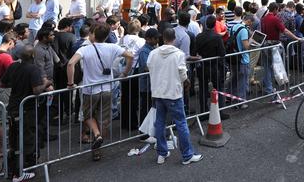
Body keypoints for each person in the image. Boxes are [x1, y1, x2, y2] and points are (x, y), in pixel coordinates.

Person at [66, 23, 133, 161]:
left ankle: (96, 135)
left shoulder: (85, 49)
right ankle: (97, 149)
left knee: (88, 115)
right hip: (107, 88)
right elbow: (130, 56)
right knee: (104, 120)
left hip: (90, 89)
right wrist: (125, 73)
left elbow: (71, 63)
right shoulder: (113, 47)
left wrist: (70, 83)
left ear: (93, 35)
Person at [147, 27, 203, 165]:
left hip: (158, 92)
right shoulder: (178, 54)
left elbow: (149, 67)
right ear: (175, 39)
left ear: (162, 38)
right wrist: (186, 81)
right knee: (181, 123)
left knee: (159, 122)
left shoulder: (153, 53)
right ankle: (187, 155)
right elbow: (182, 73)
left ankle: (162, 153)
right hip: (173, 93)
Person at [1, 45, 50, 182]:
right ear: (33, 56)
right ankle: (20, 172)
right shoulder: (33, 69)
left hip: (13, 107)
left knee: (14, 139)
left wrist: (18, 84)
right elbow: (36, 91)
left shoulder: (13, 66)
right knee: (26, 139)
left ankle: (14, 169)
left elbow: (3, 84)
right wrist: (46, 84)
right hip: (26, 109)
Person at [260, 3, 301, 94]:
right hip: (274, 46)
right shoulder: (275, 19)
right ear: (275, 9)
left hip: (265, 44)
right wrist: (296, 38)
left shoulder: (263, 19)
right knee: (277, 66)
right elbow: (285, 31)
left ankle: (266, 84)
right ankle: (270, 87)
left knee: (267, 67)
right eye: (277, 10)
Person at [195, 16, 228, 116]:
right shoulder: (217, 37)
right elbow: (222, 53)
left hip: (202, 65)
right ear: (214, 25)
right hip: (215, 66)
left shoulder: (199, 36)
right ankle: (220, 112)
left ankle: (204, 112)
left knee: (203, 89)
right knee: (219, 88)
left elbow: (195, 51)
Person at [0, 32, 16, 158]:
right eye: (12, 45)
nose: (12, 48)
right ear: (10, 42)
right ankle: (1, 149)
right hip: (4, 89)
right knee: (2, 119)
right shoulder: (6, 57)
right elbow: (13, 73)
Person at [136, 28, 159, 130]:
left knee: (151, 107)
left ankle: (150, 129)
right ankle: (143, 132)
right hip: (146, 84)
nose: (157, 40)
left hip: (152, 83)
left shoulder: (153, 49)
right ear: (149, 39)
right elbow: (146, 67)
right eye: (155, 38)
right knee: (145, 108)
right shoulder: (144, 51)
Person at [228, 13, 253, 107]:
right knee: (243, 80)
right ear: (249, 21)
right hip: (243, 58)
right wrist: (252, 42)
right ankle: (242, 101)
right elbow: (246, 46)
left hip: (234, 57)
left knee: (234, 78)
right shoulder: (244, 31)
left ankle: (231, 96)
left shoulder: (234, 27)